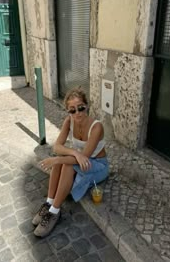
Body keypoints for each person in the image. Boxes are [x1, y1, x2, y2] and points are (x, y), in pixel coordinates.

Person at [32, 87, 109, 237]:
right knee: (64, 161)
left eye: (81, 108)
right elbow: (57, 146)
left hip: (98, 165)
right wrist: (73, 152)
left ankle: (54, 212)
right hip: (81, 159)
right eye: (72, 110)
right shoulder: (69, 121)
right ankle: (49, 203)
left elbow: (83, 157)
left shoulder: (96, 127)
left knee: (65, 163)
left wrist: (58, 159)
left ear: (87, 106)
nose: (77, 113)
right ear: (68, 111)